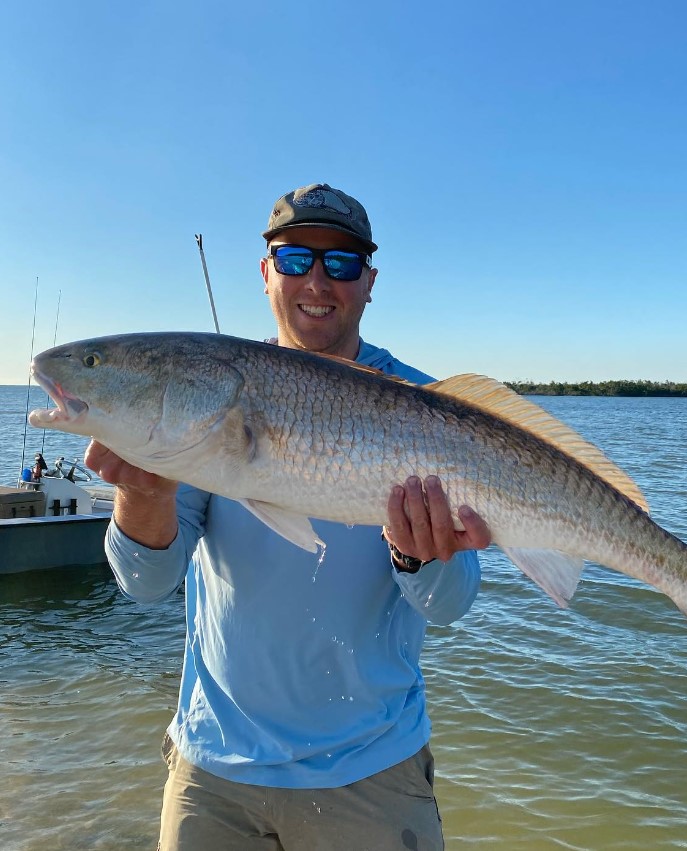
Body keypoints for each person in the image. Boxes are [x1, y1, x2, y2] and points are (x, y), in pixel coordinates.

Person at [85, 183, 492, 851]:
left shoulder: (430, 407)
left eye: (341, 263)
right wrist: (146, 493)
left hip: (372, 767)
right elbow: (146, 583)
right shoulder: (204, 394)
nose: (318, 280)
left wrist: (420, 555)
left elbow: (451, 604)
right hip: (213, 768)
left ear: (369, 281)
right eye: (297, 256)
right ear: (266, 271)